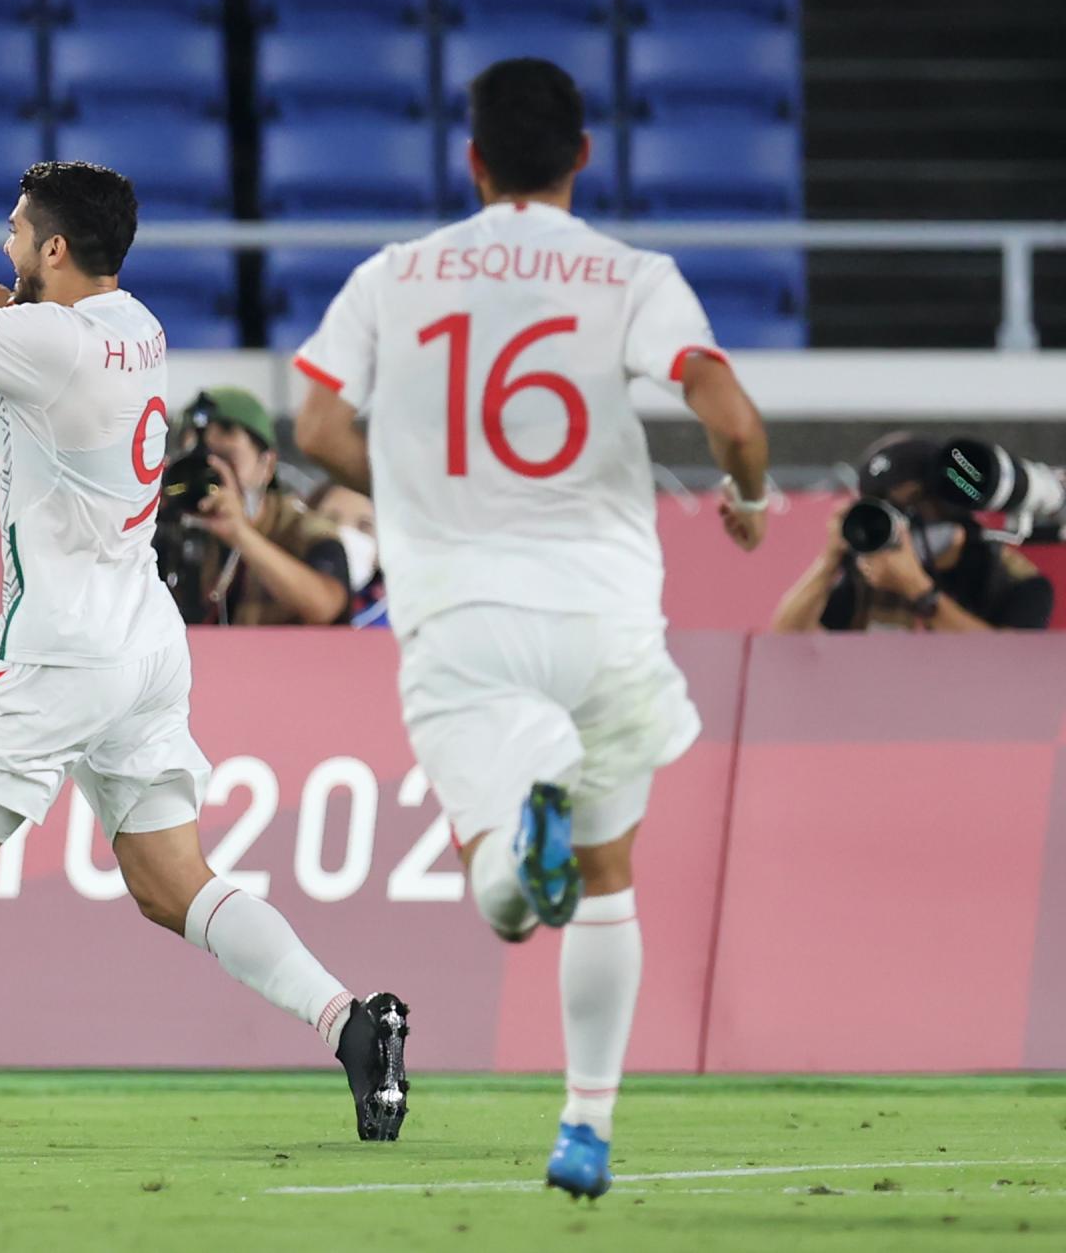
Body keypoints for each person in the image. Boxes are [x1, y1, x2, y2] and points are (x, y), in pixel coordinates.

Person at [0, 121, 412, 1144]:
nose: (5, 244)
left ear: (53, 250)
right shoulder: (128, 322)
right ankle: (348, 1021)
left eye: (14, 230)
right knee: (170, 880)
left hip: (58, 645)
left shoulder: (49, 339)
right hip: (140, 638)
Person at [293, 58, 771, 1197]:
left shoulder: (393, 275)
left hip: (460, 615)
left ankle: (517, 850)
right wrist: (747, 501)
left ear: (470, 159)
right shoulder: (631, 274)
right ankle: (585, 1128)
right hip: (601, 612)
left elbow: (313, 421)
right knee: (609, 882)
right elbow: (731, 417)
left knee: (503, 901)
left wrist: (410, 491)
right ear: (583, 157)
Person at [772, 433, 1055, 633]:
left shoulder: (1007, 576)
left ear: (950, 504)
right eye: (890, 509)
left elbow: (1010, 667)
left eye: (915, 503)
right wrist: (830, 559)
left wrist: (920, 592)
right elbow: (785, 644)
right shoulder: (869, 577)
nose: (905, 523)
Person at [154, 388, 354, 626]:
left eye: (226, 458)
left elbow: (326, 607)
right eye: (199, 462)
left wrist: (240, 534)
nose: (215, 474)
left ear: (267, 466)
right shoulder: (170, 528)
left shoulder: (304, 530)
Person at [311, 481, 388, 629]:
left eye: (364, 526)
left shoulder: (402, 618)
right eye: (330, 520)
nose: (345, 534)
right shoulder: (283, 603)